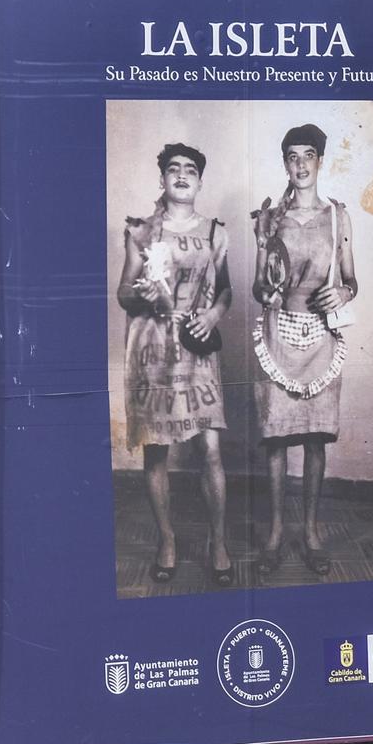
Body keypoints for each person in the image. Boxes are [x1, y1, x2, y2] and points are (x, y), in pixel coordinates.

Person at [118, 142, 233, 586]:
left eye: (190, 170)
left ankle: (218, 541)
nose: (182, 175)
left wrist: (213, 315)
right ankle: (167, 540)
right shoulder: (141, 232)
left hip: (197, 341)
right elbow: (123, 293)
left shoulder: (214, 232)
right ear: (162, 179)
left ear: (200, 182)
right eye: (173, 169)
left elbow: (225, 290)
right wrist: (140, 295)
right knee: (156, 447)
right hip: (151, 347)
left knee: (210, 450)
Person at [251, 123, 358, 578]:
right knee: (276, 439)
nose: (300, 164)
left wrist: (345, 294)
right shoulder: (269, 219)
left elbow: (351, 279)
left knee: (315, 438)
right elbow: (259, 285)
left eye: (308, 155)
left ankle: (311, 532)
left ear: (320, 161)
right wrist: (268, 294)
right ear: (285, 163)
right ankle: (276, 533)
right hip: (278, 335)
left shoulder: (339, 216)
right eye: (292, 156)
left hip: (321, 338)